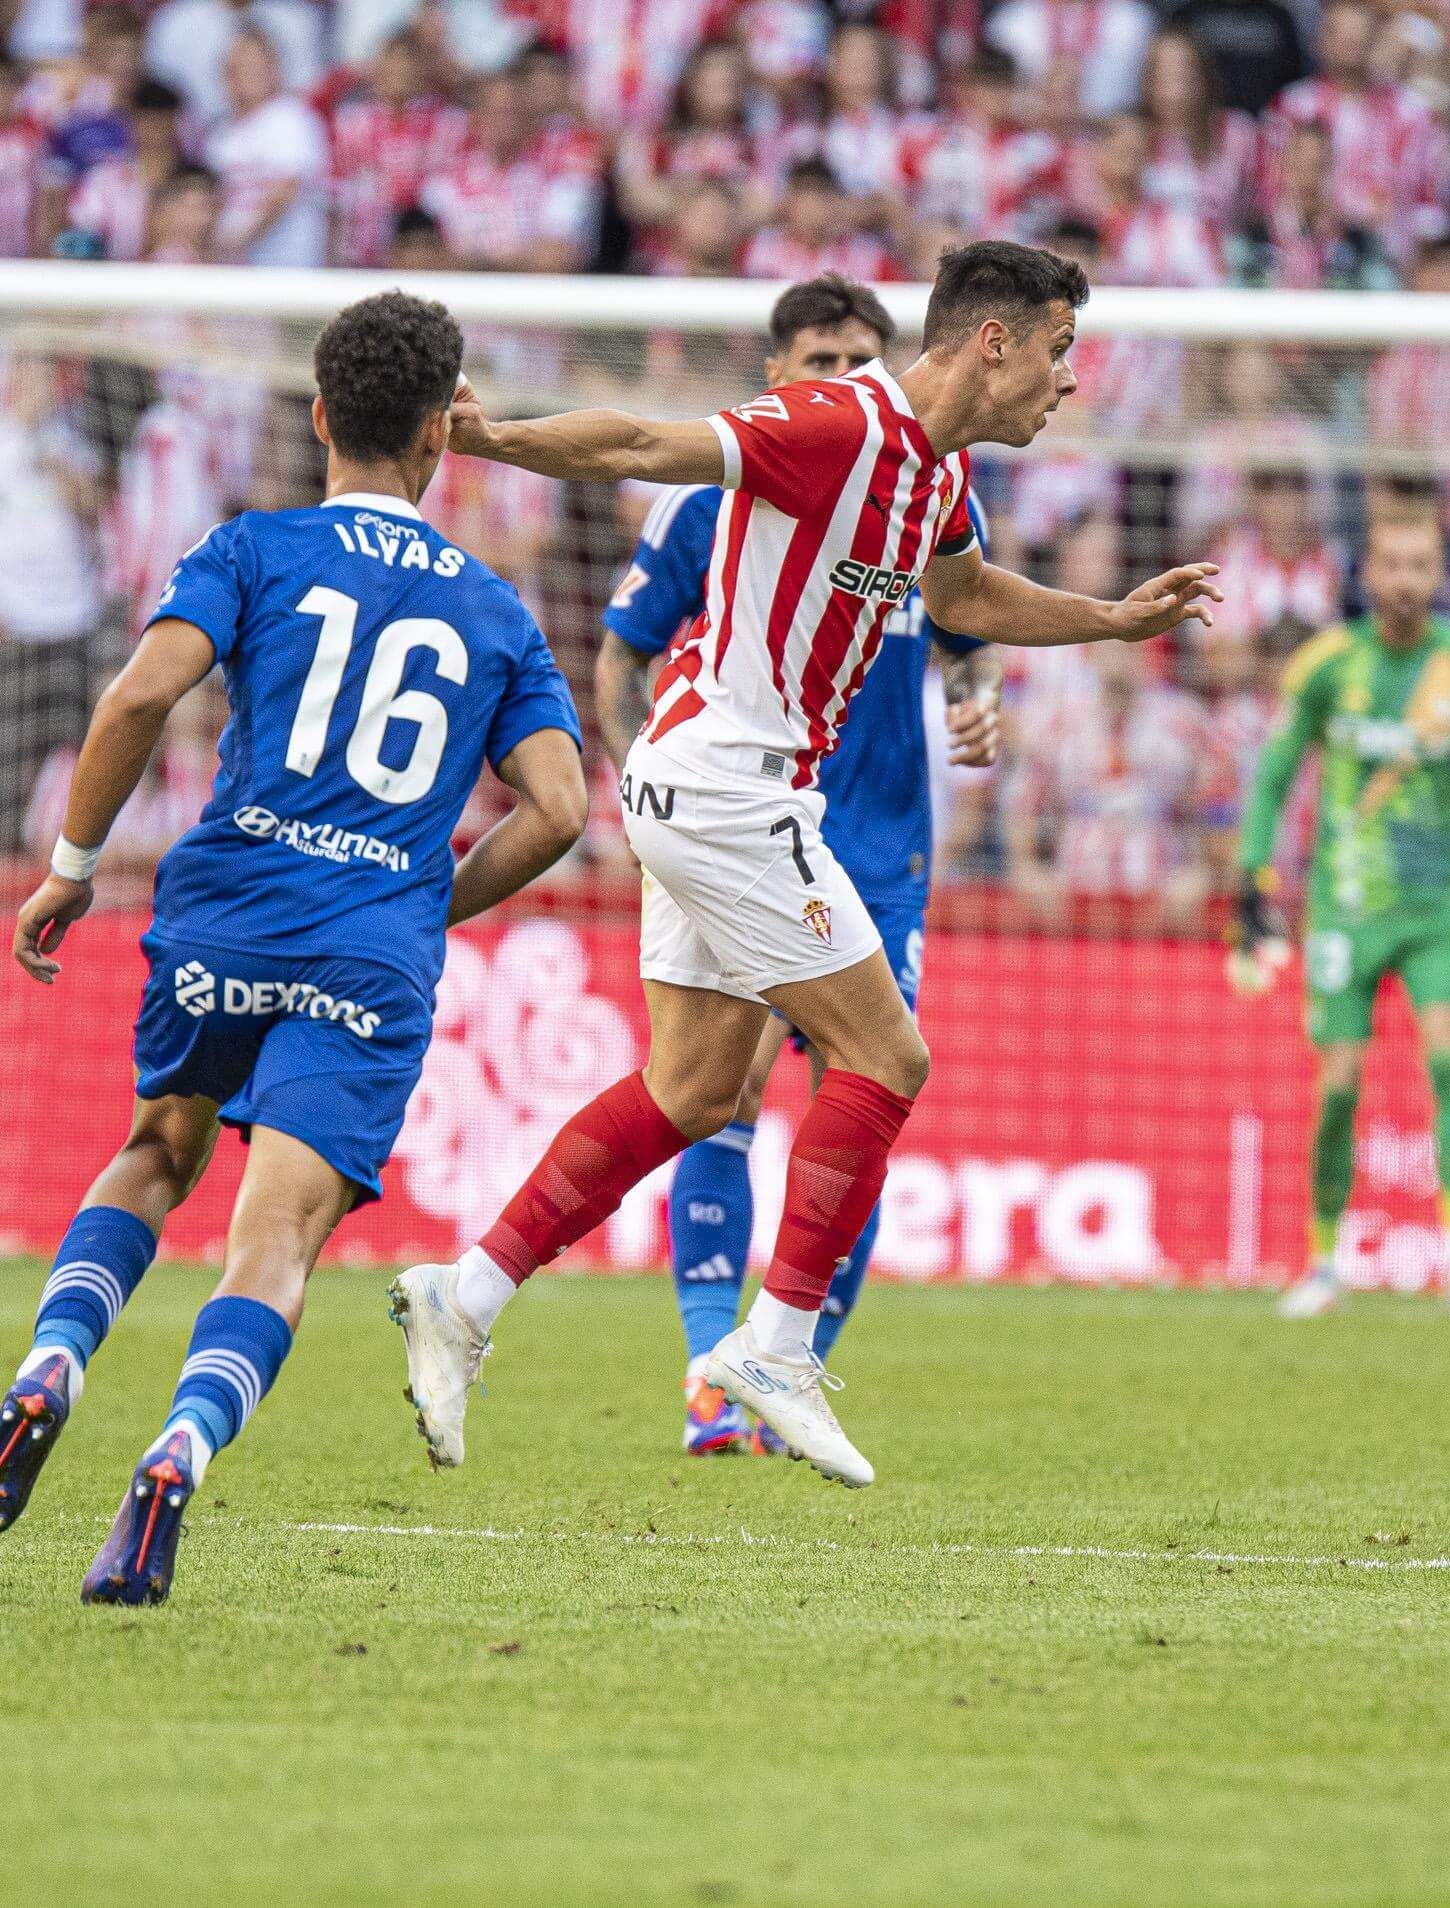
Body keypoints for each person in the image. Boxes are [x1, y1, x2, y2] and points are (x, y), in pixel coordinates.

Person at [390, 241, 1219, 1486]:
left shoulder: (935, 479)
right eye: (1056, 351)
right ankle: (773, 1345)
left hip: (717, 786)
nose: (1065, 383)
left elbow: (971, 598)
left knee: (695, 1094)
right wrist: (493, 441)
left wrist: (1107, 619)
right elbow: (638, 448)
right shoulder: (836, 419)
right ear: (990, 342)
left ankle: (465, 1291)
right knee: (887, 1054)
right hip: (727, 781)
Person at [0, 293, 588, 1604]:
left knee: (157, 1150)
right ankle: (176, 1452)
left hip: (226, 910)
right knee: (273, 1237)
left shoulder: (252, 548)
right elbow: (558, 809)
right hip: (370, 948)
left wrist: (72, 871)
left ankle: (49, 1367)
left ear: (320, 415)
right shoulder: (496, 612)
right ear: (446, 434)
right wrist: (424, 905)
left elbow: (142, 691)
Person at [595, 275, 1001, 1457]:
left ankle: (792, 1362)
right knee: (718, 1094)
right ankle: (711, 1375)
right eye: (820, 357)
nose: (843, 376)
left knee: (863, 1096)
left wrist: (975, 703)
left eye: (860, 356)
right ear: (776, 373)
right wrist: (644, 804)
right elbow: (618, 663)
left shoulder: (929, 480)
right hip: (746, 818)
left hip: (880, 843)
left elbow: (971, 633)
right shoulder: (709, 504)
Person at [1230, 508, 1450, 1318]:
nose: (1405, 580)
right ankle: (1324, 1259)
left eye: (1420, 565)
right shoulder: (1327, 667)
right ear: (1367, 573)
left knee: (1447, 1061)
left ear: (1439, 575)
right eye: (1392, 564)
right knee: (1337, 1087)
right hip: (1345, 909)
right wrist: (1254, 876)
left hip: (1438, 910)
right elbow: (1272, 778)